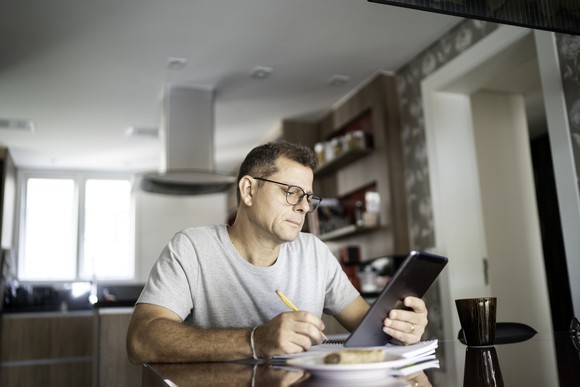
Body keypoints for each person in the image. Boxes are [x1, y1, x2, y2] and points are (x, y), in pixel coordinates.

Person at [126, 141, 428, 363]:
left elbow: (368, 325)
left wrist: (400, 326)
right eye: (291, 192)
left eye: (309, 197)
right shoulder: (192, 248)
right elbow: (141, 340)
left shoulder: (314, 253)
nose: (304, 207)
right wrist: (255, 339)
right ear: (248, 190)